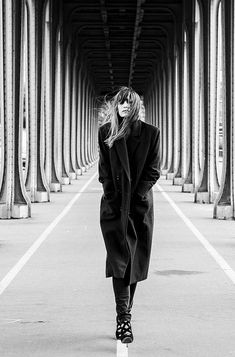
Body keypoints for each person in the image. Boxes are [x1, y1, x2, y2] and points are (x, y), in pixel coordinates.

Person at [98, 86, 160, 344]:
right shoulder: (106, 132)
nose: (123, 105)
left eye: (128, 101)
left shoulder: (151, 133)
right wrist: (113, 196)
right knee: (119, 261)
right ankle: (123, 319)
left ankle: (125, 313)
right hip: (114, 209)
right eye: (120, 102)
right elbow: (103, 170)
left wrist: (136, 196)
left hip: (139, 208)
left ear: (134, 105)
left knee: (134, 262)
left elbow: (153, 171)